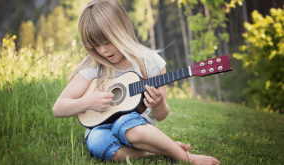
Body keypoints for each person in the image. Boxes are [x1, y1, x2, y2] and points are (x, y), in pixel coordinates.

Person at [52, 0, 220, 164]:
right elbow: (58, 108)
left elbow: (160, 116)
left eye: (107, 41)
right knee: (96, 142)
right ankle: (155, 150)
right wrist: (88, 102)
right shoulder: (93, 68)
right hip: (100, 128)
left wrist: (158, 104)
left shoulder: (151, 62)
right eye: (96, 45)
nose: (103, 50)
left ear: (122, 31)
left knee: (127, 124)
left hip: (136, 127)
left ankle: (187, 158)